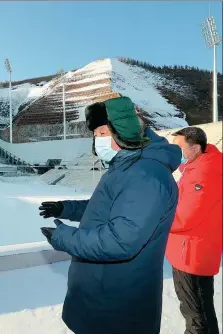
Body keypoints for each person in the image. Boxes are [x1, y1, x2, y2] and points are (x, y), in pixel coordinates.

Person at [39, 96, 181, 334]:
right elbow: (105, 208)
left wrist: (65, 238)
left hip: (117, 302)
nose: (97, 140)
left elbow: (121, 240)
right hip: (100, 291)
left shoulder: (146, 175)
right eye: (95, 134)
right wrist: (65, 208)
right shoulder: (126, 166)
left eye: (102, 132)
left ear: (122, 131)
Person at [166, 126, 222, 334]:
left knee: (197, 315)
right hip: (190, 250)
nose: (174, 152)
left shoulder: (204, 173)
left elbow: (186, 218)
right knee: (198, 309)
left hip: (191, 253)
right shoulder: (199, 166)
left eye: (179, 148)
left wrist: (157, 220)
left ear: (196, 148)